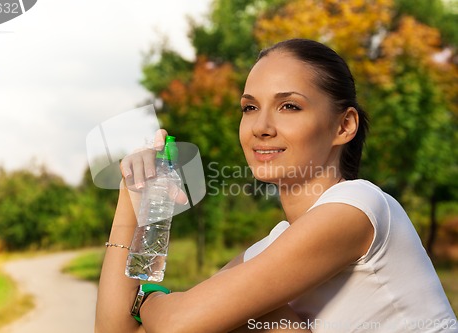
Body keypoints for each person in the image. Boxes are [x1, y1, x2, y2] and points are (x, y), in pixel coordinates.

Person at [95, 39, 457, 333]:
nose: (261, 127)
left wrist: (147, 300)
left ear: (344, 125)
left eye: (289, 106)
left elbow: (180, 324)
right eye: (250, 108)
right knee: (262, 319)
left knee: (260, 319)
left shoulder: (358, 206)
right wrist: (133, 195)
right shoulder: (273, 246)